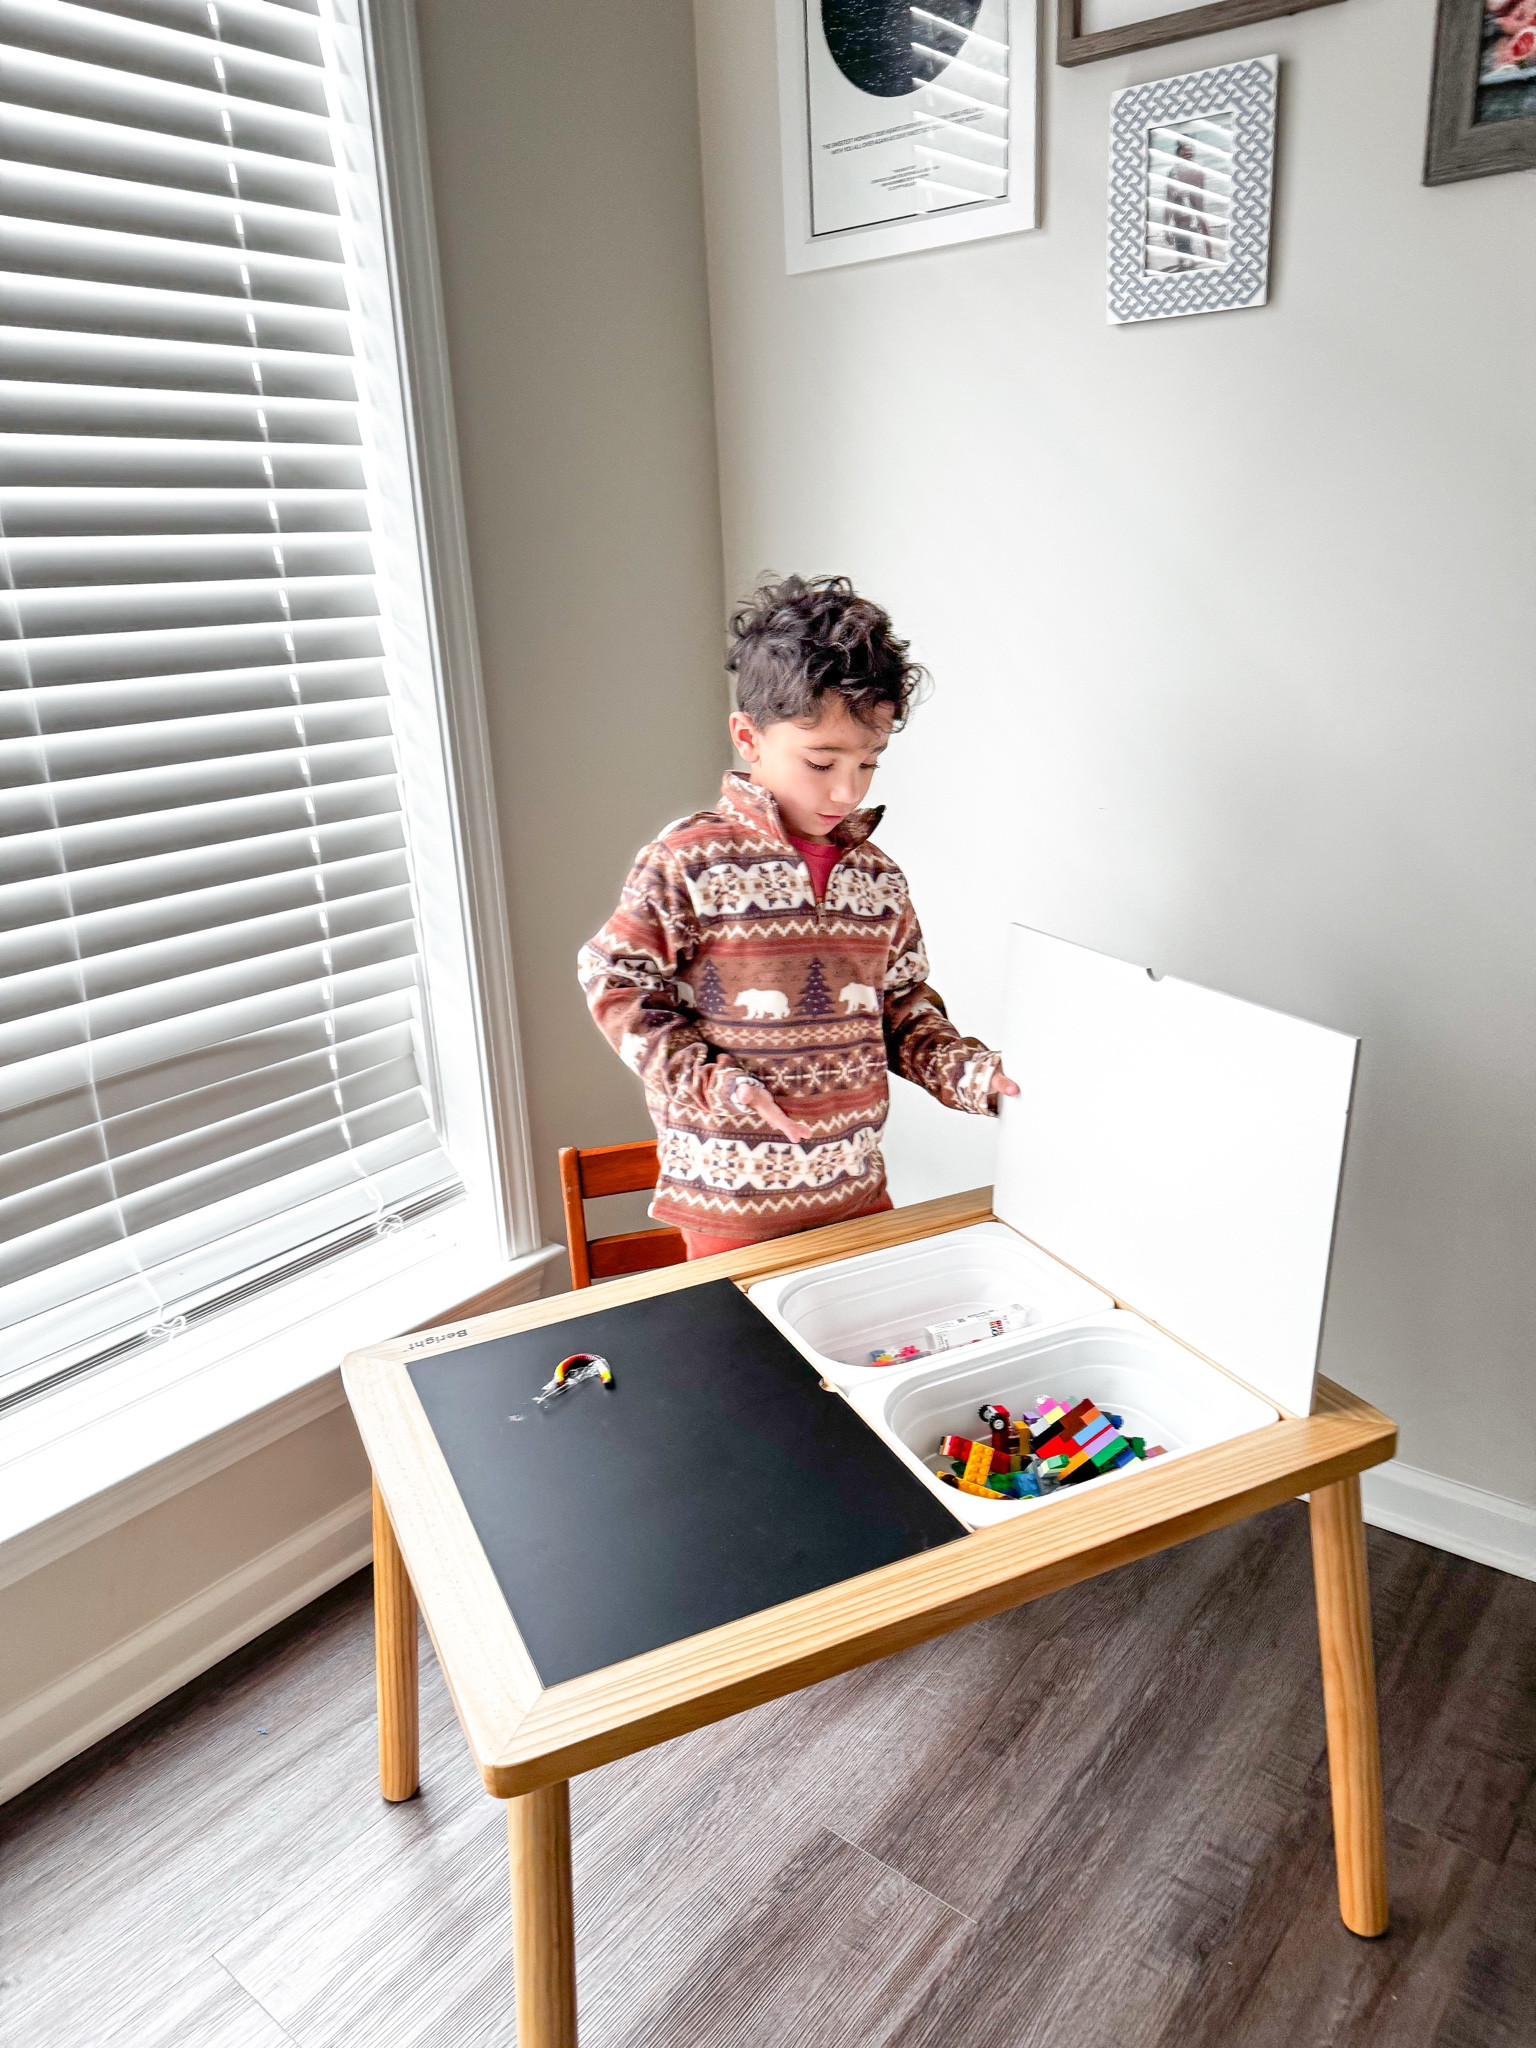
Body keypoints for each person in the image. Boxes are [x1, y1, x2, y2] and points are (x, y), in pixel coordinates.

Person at [578, 573, 1018, 1260]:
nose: (847, 791)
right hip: (731, 1203)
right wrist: (714, 1082)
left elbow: (903, 1012)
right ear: (748, 738)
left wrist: (977, 1077)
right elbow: (614, 981)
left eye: (869, 764)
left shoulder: (878, 880)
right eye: (821, 762)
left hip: (856, 1194)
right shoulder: (690, 861)